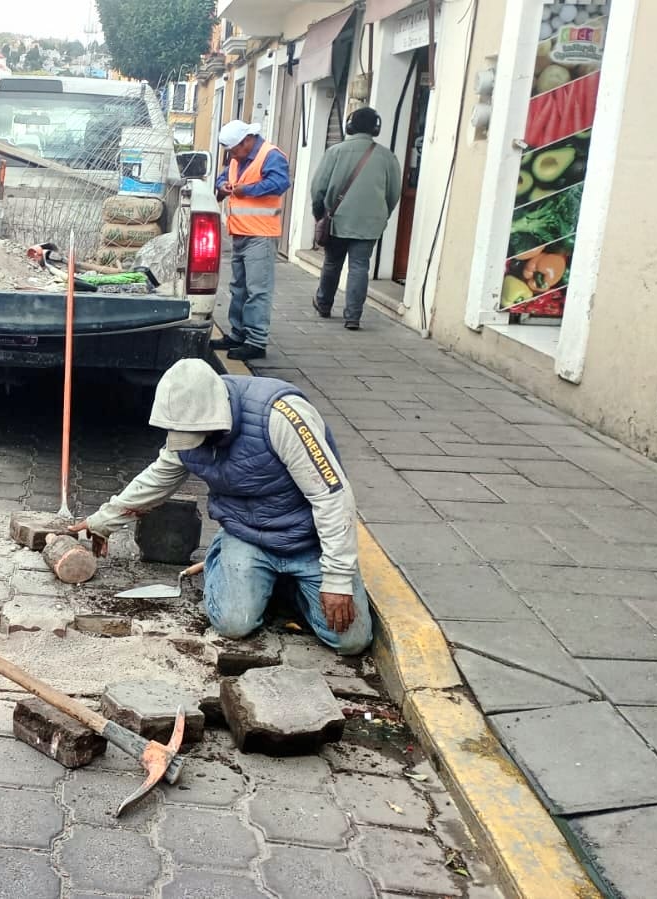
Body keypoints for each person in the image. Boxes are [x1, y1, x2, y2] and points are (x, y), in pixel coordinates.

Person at [72, 359, 372, 655]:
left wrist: (337, 579)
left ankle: (284, 586)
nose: (194, 444)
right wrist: (103, 521)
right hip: (246, 534)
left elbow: (332, 498)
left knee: (350, 641)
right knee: (233, 624)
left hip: (306, 540)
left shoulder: (281, 416)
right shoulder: (185, 422)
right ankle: (234, 562)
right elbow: (159, 477)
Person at [309, 107, 403, 330]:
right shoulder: (387, 157)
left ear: (349, 126)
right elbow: (393, 193)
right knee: (360, 267)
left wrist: (319, 214)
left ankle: (324, 304)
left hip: (337, 219)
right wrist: (382, 215)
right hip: (370, 222)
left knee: (332, 263)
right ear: (375, 128)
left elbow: (318, 188)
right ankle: (353, 316)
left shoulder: (335, 152)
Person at [212, 120, 290, 362]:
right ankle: (238, 334)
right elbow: (223, 178)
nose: (233, 156)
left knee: (258, 290)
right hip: (240, 232)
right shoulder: (238, 158)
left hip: (261, 234)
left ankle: (256, 341)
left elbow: (280, 183)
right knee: (239, 288)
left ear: (247, 140)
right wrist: (222, 186)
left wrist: (248, 190)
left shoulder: (270, 155)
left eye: (235, 150)